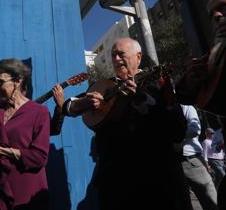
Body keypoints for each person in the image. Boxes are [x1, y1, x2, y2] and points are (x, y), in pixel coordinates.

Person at [64, 38, 190, 210]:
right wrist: (82, 104)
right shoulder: (103, 86)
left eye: (121, 54)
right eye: (113, 55)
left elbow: (178, 130)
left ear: (138, 57)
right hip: (116, 186)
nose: (115, 59)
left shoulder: (159, 86)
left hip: (159, 184)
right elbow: (67, 107)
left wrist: (144, 100)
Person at [176, 0, 226, 210]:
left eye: (224, 8)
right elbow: (185, 94)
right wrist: (191, 78)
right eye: (211, 14)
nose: (216, 16)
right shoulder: (217, 53)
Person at [0, 58, 50, 210]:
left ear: (17, 81)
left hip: (26, 194)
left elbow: (38, 158)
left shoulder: (39, 112)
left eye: (0, 83)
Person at [179, 105, 218, 210]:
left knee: (211, 202)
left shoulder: (185, 106)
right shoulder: (156, 103)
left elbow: (194, 129)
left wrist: (174, 137)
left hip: (191, 159)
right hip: (171, 161)